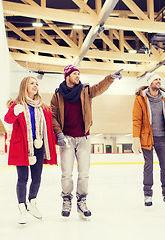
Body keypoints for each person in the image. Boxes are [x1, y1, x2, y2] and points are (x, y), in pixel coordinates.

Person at [50, 65, 122, 220]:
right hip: (66, 139)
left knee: (83, 174)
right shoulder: (57, 95)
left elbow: (99, 88)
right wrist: (59, 133)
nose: (78, 76)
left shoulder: (85, 90)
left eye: (78, 73)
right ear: (67, 76)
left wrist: (110, 78)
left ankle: (82, 201)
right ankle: (66, 200)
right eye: (75, 73)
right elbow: (53, 116)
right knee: (66, 174)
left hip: (83, 138)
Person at [4, 76, 57, 224]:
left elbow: (50, 127)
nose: (35, 85)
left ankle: (32, 202)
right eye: (32, 83)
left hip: (38, 146)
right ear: (24, 86)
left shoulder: (43, 107)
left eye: (37, 84)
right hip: (22, 146)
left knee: (37, 178)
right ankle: (22, 208)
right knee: (22, 178)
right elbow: (8, 120)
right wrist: (14, 112)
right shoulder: (17, 105)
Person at [132, 73, 165, 207]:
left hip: (162, 137)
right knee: (148, 166)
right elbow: (137, 120)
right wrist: (135, 138)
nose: (159, 81)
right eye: (156, 79)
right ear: (150, 82)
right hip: (147, 137)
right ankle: (147, 195)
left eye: (160, 79)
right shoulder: (141, 99)